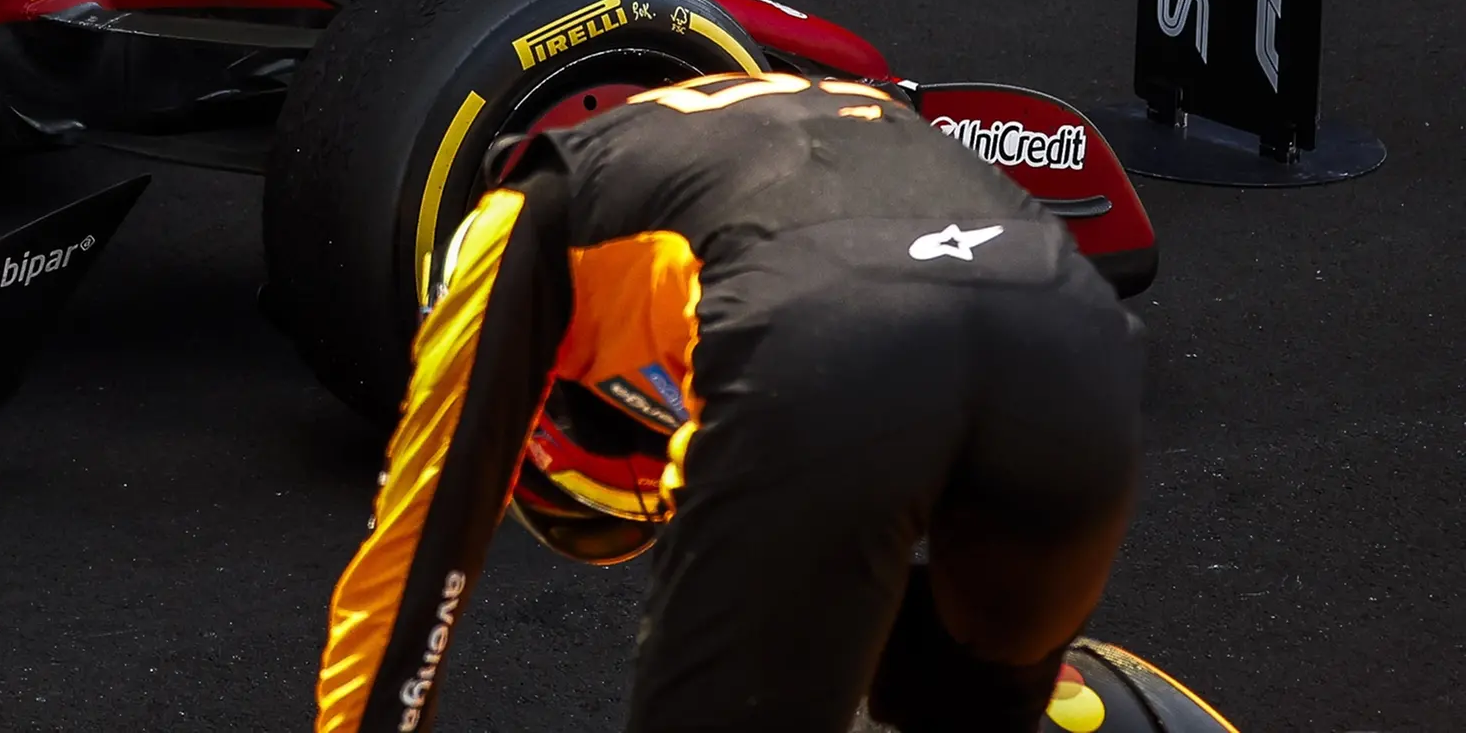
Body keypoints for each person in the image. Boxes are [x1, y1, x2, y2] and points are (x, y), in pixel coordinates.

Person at [316, 73, 1145, 733]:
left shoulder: (525, 208)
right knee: (971, 691)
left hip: (830, 337)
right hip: (1072, 328)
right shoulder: (840, 109)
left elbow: (422, 554)